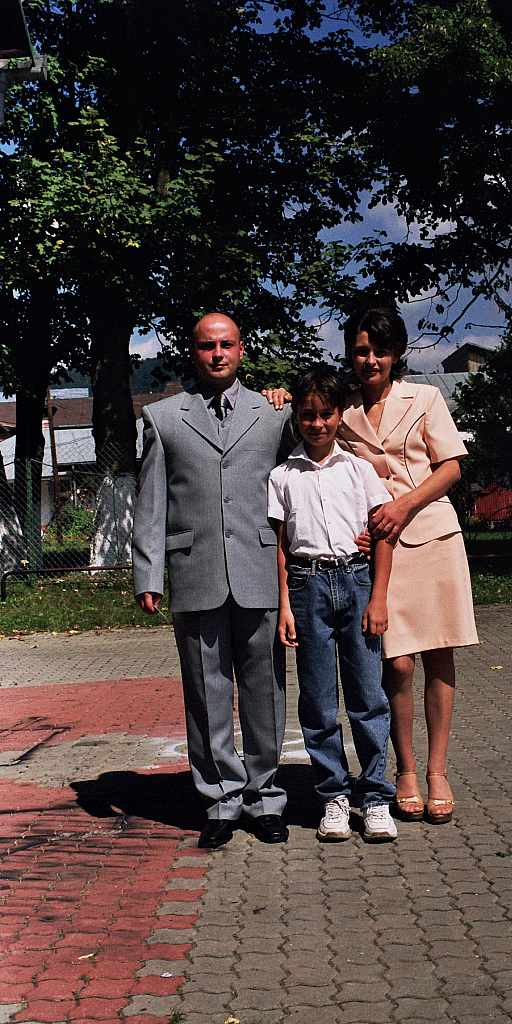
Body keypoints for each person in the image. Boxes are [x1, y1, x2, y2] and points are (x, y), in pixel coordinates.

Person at [132, 312, 295, 849]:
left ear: (242, 350)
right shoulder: (163, 418)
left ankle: (265, 795)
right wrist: (147, 573)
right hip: (194, 569)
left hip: (259, 568)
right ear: (194, 352)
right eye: (207, 346)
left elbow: (301, 483)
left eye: (227, 344)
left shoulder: (275, 413)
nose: (218, 354)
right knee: (205, 690)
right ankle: (221, 799)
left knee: (264, 689)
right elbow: (151, 503)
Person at [338, 308, 479, 824]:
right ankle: (406, 770)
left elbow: (451, 467)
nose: (370, 359)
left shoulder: (424, 398)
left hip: (432, 534)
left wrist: (403, 505)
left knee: (439, 654)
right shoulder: (342, 408)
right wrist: (277, 395)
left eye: (380, 350)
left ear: (396, 354)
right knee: (395, 662)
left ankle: (438, 770)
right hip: (379, 549)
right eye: (360, 350)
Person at [268, 367, 398, 843]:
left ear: (339, 416)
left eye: (326, 414)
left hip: (357, 582)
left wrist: (378, 596)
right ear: (297, 419)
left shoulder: (359, 469)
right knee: (319, 703)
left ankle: (376, 796)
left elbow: (383, 532)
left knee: (368, 697)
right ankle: (333, 797)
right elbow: (281, 546)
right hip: (307, 589)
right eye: (307, 415)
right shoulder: (282, 476)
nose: (317, 423)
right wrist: (285, 604)